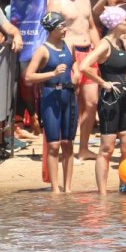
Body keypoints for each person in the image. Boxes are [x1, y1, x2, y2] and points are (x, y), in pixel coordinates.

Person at [79, 6, 126, 194]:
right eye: (124, 21)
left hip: (125, 98)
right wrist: (103, 83)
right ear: (115, 24)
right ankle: (102, 193)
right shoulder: (105, 45)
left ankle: (124, 186)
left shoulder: (124, 43)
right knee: (107, 148)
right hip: (110, 101)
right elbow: (84, 66)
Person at [48, 0, 101, 162]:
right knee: (69, 102)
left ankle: (84, 148)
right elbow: (53, 31)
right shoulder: (57, 1)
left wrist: (98, 49)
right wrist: (68, 60)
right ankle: (66, 148)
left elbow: (91, 26)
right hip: (70, 53)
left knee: (92, 102)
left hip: (88, 52)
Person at [24, 12, 77, 193]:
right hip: (51, 96)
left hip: (69, 96)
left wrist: (77, 72)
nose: (65, 29)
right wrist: (52, 74)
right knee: (53, 145)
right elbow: (28, 77)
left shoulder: (69, 44)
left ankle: (68, 188)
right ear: (52, 29)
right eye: (62, 26)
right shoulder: (43, 50)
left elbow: (73, 63)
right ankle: (55, 188)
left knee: (68, 143)